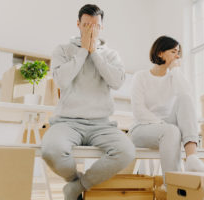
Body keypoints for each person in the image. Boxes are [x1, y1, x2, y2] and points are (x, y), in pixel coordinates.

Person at [41, 4, 135, 200]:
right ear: (78, 24)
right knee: (51, 150)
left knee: (126, 152)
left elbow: (117, 82)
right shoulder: (63, 50)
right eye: (86, 25)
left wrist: (95, 53)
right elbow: (61, 81)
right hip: (67, 122)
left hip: (101, 124)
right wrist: (83, 51)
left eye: (95, 26)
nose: (91, 29)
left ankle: (76, 188)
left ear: (101, 27)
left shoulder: (111, 54)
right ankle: (75, 181)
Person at [129, 35, 204, 185]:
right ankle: (173, 187)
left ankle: (192, 158)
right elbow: (139, 111)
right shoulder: (140, 77)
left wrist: (175, 70)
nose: (177, 56)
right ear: (160, 53)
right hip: (142, 128)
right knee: (171, 131)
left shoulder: (173, 77)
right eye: (173, 51)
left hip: (167, 127)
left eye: (179, 53)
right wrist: (163, 125)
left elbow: (186, 95)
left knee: (185, 99)